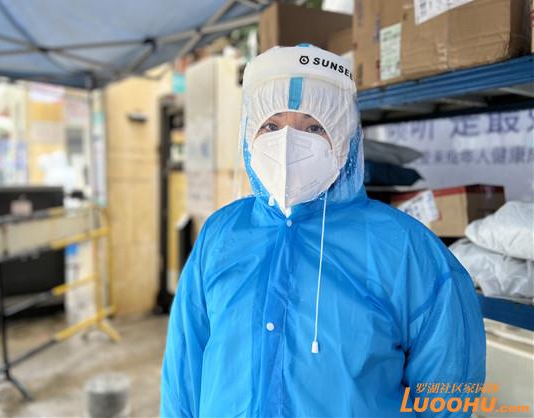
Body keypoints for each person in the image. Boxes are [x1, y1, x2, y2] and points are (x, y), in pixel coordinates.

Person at [160, 44, 486, 418]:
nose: (288, 142)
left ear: (346, 139)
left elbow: (449, 392)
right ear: (249, 135)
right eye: (271, 126)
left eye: (314, 127)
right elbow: (184, 371)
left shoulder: (408, 249)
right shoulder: (220, 236)